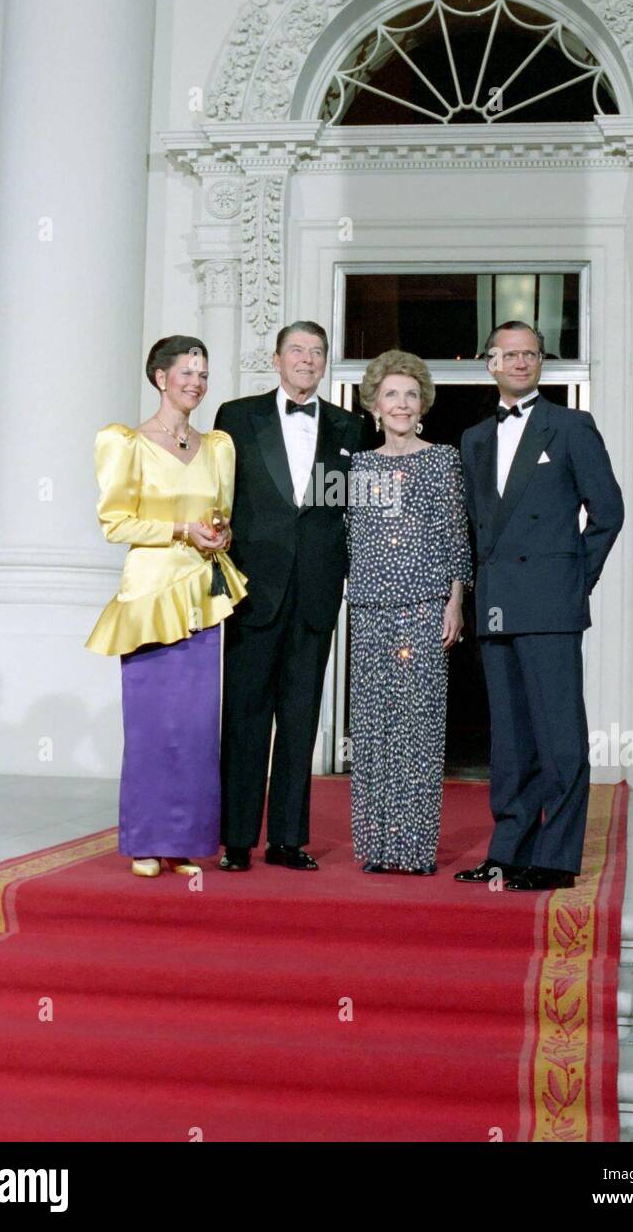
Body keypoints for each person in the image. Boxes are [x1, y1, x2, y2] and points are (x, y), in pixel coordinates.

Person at [456, 321, 624, 891]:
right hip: (497, 604)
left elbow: (608, 512)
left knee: (559, 736)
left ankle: (554, 857)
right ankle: (508, 850)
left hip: (551, 604)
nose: (521, 362)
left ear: (541, 362)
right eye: (510, 354)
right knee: (509, 737)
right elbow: (478, 528)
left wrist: (576, 583)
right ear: (490, 363)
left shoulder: (572, 426)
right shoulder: (475, 438)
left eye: (530, 354)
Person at [85, 336, 247, 878]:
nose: (197, 382)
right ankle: (145, 840)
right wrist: (181, 529)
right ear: (160, 377)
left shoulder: (218, 446)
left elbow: (221, 516)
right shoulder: (125, 442)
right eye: (187, 372)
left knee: (197, 725)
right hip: (151, 595)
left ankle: (183, 839)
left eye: (203, 373)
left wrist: (218, 537)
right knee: (153, 723)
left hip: (202, 596)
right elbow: (117, 523)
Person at [214, 322, 364, 871]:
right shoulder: (235, 415)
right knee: (245, 714)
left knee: (301, 716)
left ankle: (287, 840)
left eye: (316, 352)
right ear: (276, 360)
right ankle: (235, 839)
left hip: (317, 591)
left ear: (325, 364)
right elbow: (220, 498)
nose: (306, 360)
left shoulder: (351, 425)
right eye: (296, 351)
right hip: (255, 589)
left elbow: (356, 510)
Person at [346, 351, 472, 875]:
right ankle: (377, 849)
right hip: (370, 609)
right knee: (373, 730)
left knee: (418, 729)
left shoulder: (442, 459)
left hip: (423, 609)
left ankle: (415, 850)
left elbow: (456, 535)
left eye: (411, 395)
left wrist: (456, 601)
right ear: (375, 404)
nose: (401, 404)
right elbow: (353, 536)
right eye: (392, 394)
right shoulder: (358, 465)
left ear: (423, 405)